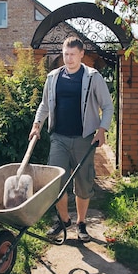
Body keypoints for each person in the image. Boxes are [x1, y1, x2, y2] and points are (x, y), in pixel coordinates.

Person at [29, 36, 114, 242]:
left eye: (72, 55)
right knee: (56, 182)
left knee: (83, 184)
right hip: (59, 137)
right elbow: (44, 105)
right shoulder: (53, 77)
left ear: (81, 54)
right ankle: (64, 220)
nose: (68, 59)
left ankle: (81, 223)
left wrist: (102, 130)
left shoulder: (93, 77)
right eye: (65, 54)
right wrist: (37, 124)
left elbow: (108, 105)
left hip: (84, 139)